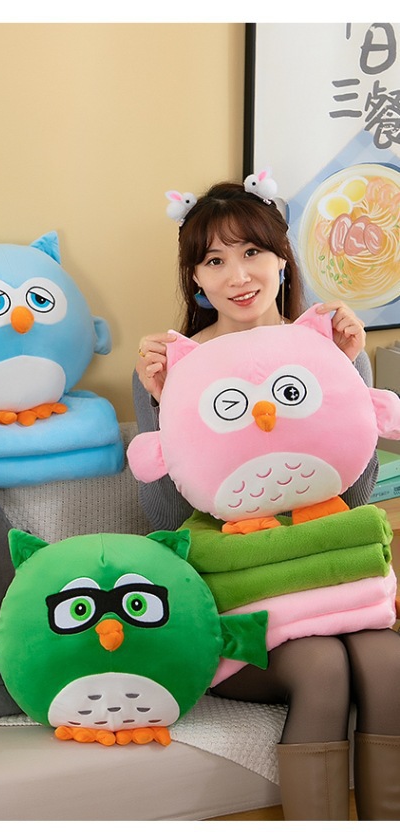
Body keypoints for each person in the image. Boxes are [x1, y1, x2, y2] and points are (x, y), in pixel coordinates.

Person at [133, 179, 400, 821]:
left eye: (252, 252)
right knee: (322, 668)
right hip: (241, 595)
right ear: (195, 277)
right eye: (214, 260)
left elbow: (352, 495)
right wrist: (163, 406)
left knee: (389, 663)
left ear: (283, 257)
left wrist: (351, 369)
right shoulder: (174, 368)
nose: (238, 276)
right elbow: (169, 521)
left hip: (329, 580)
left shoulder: (326, 348)